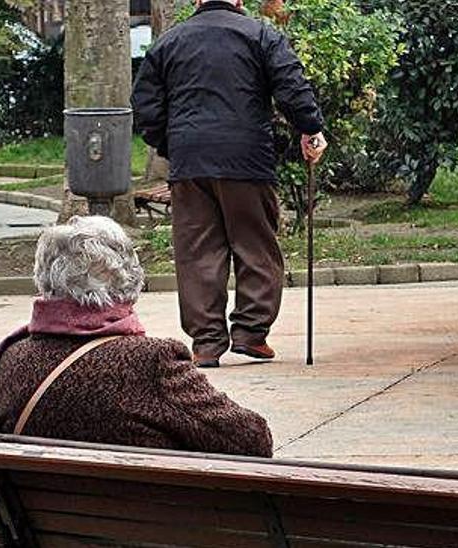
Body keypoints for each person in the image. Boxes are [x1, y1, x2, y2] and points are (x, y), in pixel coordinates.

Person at [0, 216, 273, 456]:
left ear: (43, 279)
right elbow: (252, 440)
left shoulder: (11, 359)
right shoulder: (151, 363)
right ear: (131, 280)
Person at [131, 0, 328, 368]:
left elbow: (145, 105)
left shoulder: (169, 41)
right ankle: (251, 335)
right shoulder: (262, 35)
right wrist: (310, 128)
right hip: (246, 157)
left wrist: (172, 143)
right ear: (239, 0)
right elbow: (290, 84)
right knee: (256, 244)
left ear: (196, 1)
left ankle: (206, 344)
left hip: (190, 161)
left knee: (198, 251)